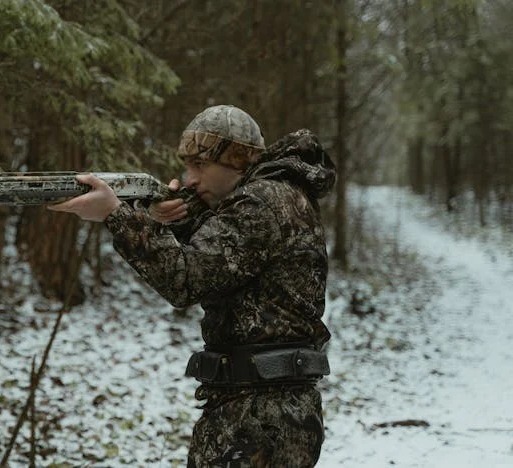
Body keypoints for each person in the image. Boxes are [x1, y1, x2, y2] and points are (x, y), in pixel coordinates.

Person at [48, 105, 336, 467]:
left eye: (200, 166)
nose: (189, 179)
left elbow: (186, 278)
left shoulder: (260, 201)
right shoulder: (279, 195)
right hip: (270, 407)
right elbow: (229, 266)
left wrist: (116, 215)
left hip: (258, 414)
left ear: (235, 160)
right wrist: (180, 221)